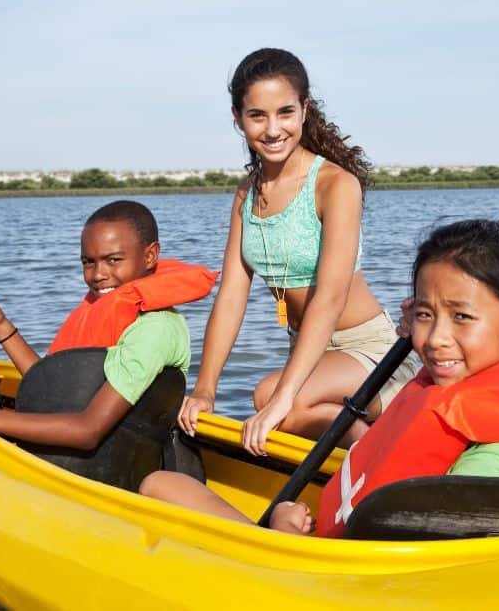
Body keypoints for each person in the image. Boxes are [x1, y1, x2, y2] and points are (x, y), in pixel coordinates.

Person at [141, 219, 499, 537]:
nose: (435, 340)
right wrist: (437, 317)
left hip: (330, 573)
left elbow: (392, 566)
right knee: (162, 482)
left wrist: (285, 534)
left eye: (462, 318)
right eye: (425, 316)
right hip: (342, 530)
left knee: (159, 486)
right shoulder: (470, 382)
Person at [178, 48, 421, 455]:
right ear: (238, 118)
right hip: (311, 353)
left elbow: (329, 298)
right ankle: (375, 453)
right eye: (258, 115)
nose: (273, 129)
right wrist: (204, 390)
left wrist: (282, 397)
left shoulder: (335, 184)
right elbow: (232, 297)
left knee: (269, 396)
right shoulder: (246, 195)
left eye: (285, 112)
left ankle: (394, 455)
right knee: (276, 404)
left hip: (369, 351)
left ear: (304, 110)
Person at [0, 200, 218, 449]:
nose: (98, 274)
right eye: (88, 262)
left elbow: (87, 431)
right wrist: (2, 328)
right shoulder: (105, 309)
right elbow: (58, 390)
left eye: (113, 260)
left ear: (150, 256)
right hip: (91, 457)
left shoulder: (155, 330)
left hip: (113, 466)